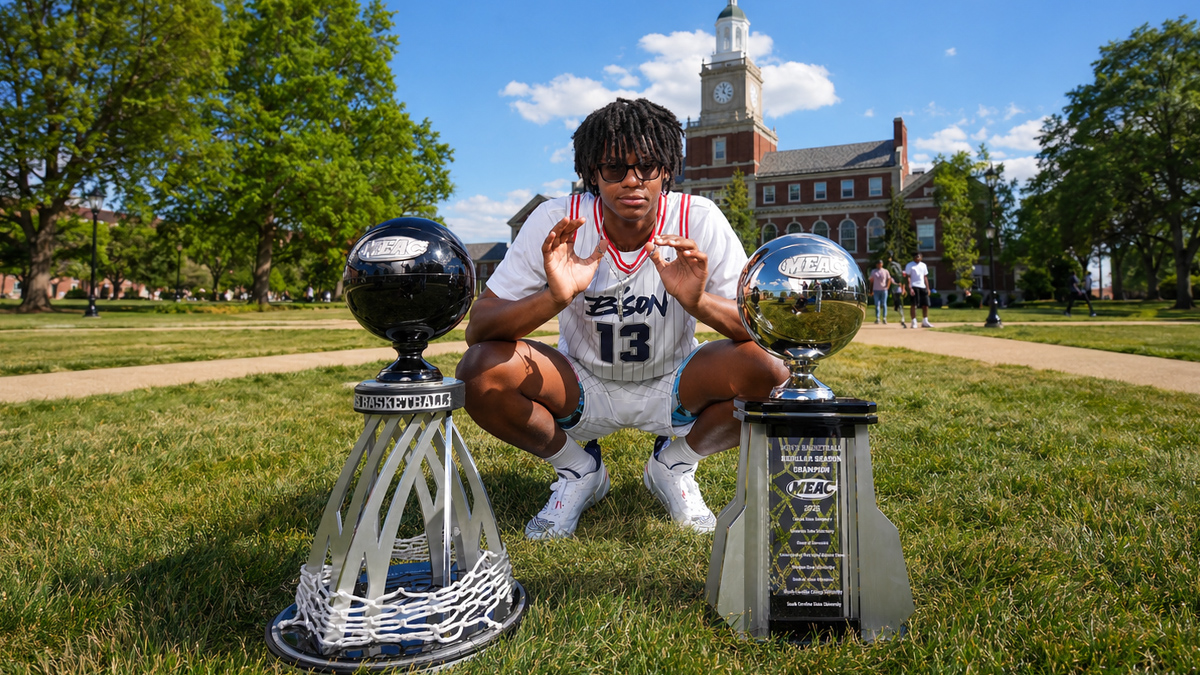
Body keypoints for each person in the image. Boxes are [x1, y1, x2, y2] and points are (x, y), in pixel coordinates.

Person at [457, 98, 787, 541]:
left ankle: (674, 465)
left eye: (647, 166)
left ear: (667, 169)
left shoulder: (698, 218)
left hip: (673, 383)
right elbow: (478, 330)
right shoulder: (560, 219)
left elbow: (764, 334)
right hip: (582, 382)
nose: (632, 181)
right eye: (614, 168)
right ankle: (578, 470)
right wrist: (555, 297)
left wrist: (699, 302)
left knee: (773, 373)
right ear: (592, 173)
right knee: (481, 372)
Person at [904, 252, 933, 328]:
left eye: (919, 256)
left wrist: (928, 288)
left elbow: (925, 277)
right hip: (914, 286)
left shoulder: (923, 265)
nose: (918, 257)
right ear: (914, 257)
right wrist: (910, 288)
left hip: (922, 286)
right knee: (914, 304)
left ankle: (925, 321)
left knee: (925, 304)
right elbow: (908, 277)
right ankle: (914, 322)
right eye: (916, 256)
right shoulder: (910, 265)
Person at [887, 252, 907, 328]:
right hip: (894, 290)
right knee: (897, 305)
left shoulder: (895, 270)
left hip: (897, 290)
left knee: (899, 304)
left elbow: (901, 280)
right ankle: (902, 318)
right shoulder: (892, 269)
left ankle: (903, 319)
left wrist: (902, 288)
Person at [869, 260, 892, 324]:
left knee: (884, 304)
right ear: (876, 264)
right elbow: (871, 281)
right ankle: (877, 318)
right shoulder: (873, 271)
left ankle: (884, 318)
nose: (879, 264)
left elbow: (889, 279)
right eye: (878, 263)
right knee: (877, 304)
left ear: (882, 264)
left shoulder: (885, 271)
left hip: (883, 290)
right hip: (876, 289)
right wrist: (871, 290)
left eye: (880, 263)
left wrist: (887, 286)